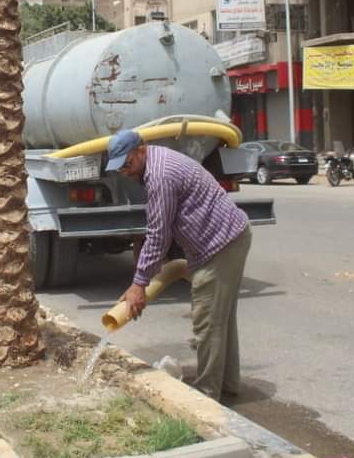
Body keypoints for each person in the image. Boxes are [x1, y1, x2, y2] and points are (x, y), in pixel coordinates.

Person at [106, 130, 251, 401]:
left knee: (208, 322)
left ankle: (206, 398)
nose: (125, 172)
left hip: (222, 245)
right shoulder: (155, 163)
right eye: (119, 168)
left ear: (141, 150)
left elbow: (158, 234)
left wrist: (139, 284)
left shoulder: (160, 175)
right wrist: (143, 277)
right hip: (227, 240)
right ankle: (228, 385)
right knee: (220, 320)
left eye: (127, 164)